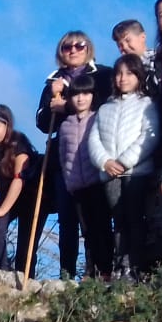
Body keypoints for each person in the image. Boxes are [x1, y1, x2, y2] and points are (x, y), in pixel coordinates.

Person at [35, 33, 106, 278]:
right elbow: (43, 123)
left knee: (94, 220)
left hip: (95, 157)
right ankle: (66, 274)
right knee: (67, 220)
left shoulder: (102, 75)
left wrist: (65, 105)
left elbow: (106, 105)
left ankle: (95, 272)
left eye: (79, 45)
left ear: (89, 48)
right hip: (63, 161)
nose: (73, 50)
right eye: (67, 46)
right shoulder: (52, 81)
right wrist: (52, 102)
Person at [88, 57, 162, 277]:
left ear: (139, 76)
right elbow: (94, 139)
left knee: (134, 218)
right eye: (119, 73)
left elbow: (149, 137)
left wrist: (124, 161)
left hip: (137, 172)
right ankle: (121, 265)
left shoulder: (147, 104)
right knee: (118, 220)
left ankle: (136, 265)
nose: (123, 78)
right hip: (109, 174)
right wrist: (105, 162)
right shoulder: (105, 107)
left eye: (129, 73)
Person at [0, 105, 41, 272]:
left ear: (7, 125)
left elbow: (19, 179)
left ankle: (25, 284)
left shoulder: (19, 142)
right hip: (4, 195)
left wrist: (2, 210)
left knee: (26, 248)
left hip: (30, 196)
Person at [58, 75, 111, 279]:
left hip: (96, 182)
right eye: (76, 94)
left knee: (101, 227)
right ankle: (90, 271)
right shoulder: (65, 126)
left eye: (85, 93)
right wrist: (68, 180)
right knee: (86, 231)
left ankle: (105, 269)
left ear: (92, 95)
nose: (81, 98)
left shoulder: (98, 118)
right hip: (76, 186)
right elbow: (63, 156)